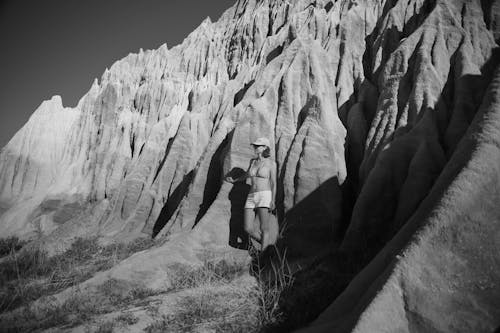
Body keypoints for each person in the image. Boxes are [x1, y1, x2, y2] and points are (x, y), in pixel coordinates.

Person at [225, 137, 276, 251]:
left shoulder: (271, 163)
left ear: (265, 148)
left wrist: (273, 199)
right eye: (255, 145)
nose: (255, 147)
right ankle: (268, 246)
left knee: (264, 228)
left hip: (265, 195)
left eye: (258, 146)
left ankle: (264, 256)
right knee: (247, 228)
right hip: (252, 195)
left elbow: (273, 183)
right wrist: (235, 180)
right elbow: (247, 175)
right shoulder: (252, 161)